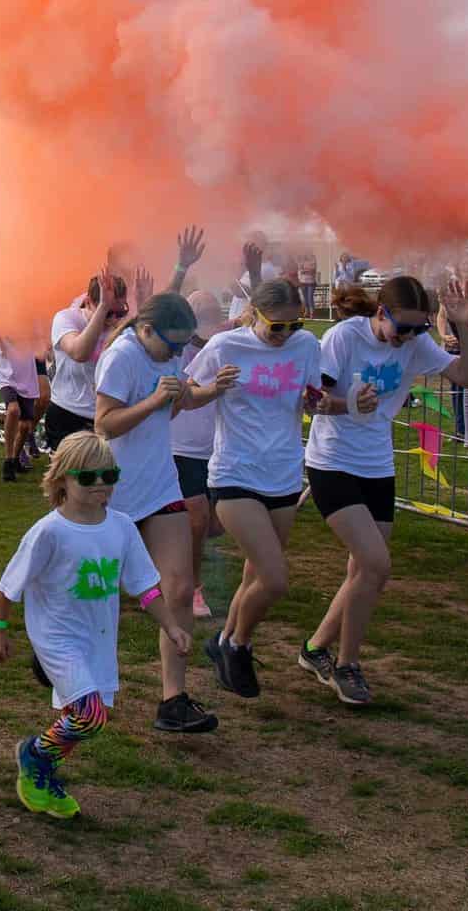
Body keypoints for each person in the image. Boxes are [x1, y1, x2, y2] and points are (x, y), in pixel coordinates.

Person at [0, 430, 187, 820]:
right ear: (62, 478)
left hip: (98, 638)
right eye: (89, 477)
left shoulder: (123, 527)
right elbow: (9, 585)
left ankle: (41, 769)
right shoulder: (49, 532)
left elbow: (144, 587)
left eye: (109, 477)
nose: (101, 486)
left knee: (88, 717)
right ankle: (35, 757)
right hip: (57, 637)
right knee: (90, 715)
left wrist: (171, 626)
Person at [300, 276, 468, 706]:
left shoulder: (415, 344)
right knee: (376, 566)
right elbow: (312, 400)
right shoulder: (345, 337)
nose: (410, 339)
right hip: (332, 462)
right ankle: (347, 666)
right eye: (403, 329)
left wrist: (465, 327)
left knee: (364, 573)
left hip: (377, 466)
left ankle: (314, 650)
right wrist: (349, 405)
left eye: (420, 330)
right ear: (381, 313)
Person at [93, 291, 236, 733]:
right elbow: (104, 423)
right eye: (172, 346)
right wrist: (154, 402)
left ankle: (173, 700)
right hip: (111, 493)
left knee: (178, 589)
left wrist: (212, 389)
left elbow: (182, 397)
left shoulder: (169, 352)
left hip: (160, 487)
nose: (179, 354)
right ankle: (68, 669)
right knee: (95, 594)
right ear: (146, 329)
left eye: (184, 346)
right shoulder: (122, 357)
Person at [184, 279, 321, 698]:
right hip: (234, 474)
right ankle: (239, 645)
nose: (285, 335)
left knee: (256, 572)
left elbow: (314, 395)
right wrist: (213, 389)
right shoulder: (226, 347)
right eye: (275, 327)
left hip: (282, 474)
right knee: (275, 579)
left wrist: (318, 403)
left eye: (294, 325)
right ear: (251, 316)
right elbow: (186, 396)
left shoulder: (306, 347)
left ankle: (224, 640)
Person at [171, 290, 230, 620]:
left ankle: (165, 557)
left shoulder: (223, 344)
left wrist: (252, 274)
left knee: (216, 525)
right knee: (197, 516)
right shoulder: (173, 349)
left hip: (216, 448)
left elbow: (254, 316)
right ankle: (193, 588)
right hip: (180, 447)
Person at [48, 268, 127, 449]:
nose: (114, 319)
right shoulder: (67, 317)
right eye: (109, 313)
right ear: (89, 302)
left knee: (104, 476)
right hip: (68, 414)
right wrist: (102, 309)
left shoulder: (119, 325)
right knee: (70, 477)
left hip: (103, 417)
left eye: (120, 313)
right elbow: (79, 353)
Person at [0, 333, 42, 482]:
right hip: (6, 377)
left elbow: (40, 348)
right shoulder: (1, 322)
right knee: (13, 410)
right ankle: (8, 461)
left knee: (25, 427)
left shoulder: (31, 324)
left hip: (27, 378)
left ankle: (15, 458)